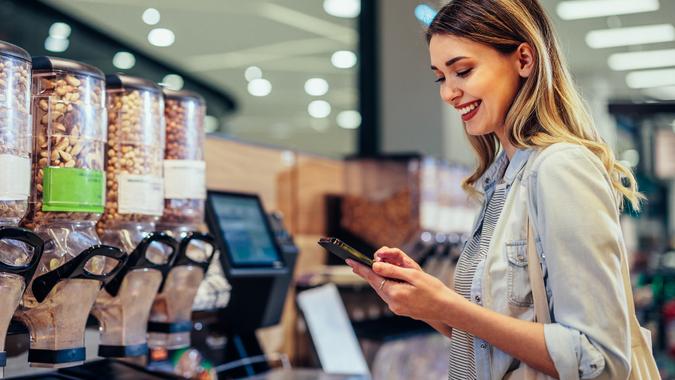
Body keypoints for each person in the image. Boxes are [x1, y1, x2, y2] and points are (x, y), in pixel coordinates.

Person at [346, 0, 645, 379]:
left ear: (524, 60)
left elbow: (597, 359)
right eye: (441, 77)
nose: (448, 93)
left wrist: (449, 305)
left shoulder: (559, 168)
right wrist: (429, 304)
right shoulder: (501, 179)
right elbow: (495, 349)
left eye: (463, 71)